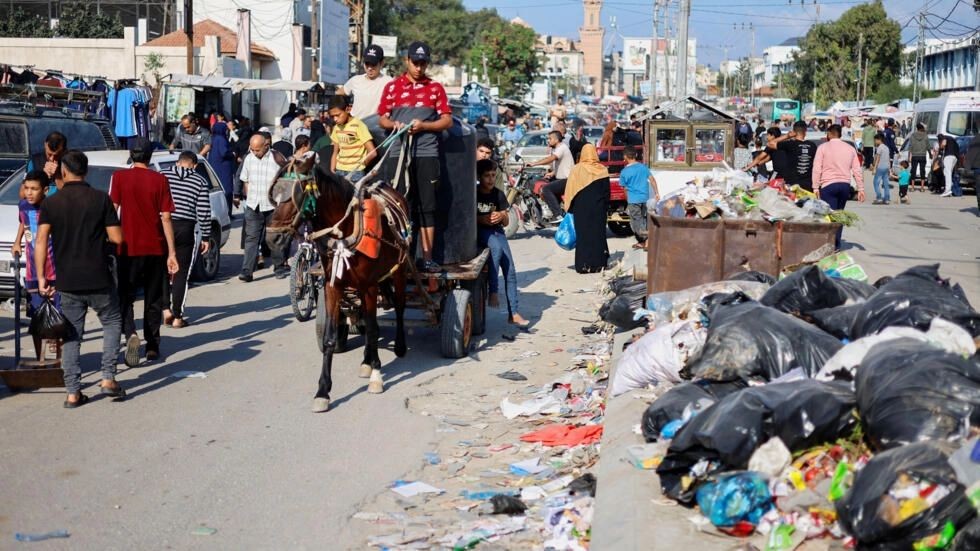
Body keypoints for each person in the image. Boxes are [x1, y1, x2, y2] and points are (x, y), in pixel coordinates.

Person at [34, 150, 125, 407]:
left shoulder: (51, 203)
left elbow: (41, 241)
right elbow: (117, 238)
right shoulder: (100, 199)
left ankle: (73, 392)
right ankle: (108, 378)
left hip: (67, 280)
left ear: (63, 171)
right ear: (86, 171)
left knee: (72, 334)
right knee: (111, 321)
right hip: (99, 275)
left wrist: (42, 277)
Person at [378, 41, 453, 273]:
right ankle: (401, 256)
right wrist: (394, 124)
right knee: (400, 206)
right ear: (406, 61)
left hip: (427, 153)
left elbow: (447, 120)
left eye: (423, 63)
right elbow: (382, 118)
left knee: (427, 207)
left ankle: (427, 257)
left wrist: (424, 126)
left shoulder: (435, 88)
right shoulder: (392, 87)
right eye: (415, 62)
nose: (419, 67)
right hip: (399, 153)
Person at [109, 138, 179, 366]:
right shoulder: (160, 180)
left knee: (125, 297)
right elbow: (166, 217)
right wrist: (172, 252)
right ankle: (152, 345)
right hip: (155, 247)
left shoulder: (119, 178)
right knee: (153, 298)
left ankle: (130, 333)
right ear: (150, 157)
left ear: (132, 154)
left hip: (126, 247)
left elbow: (113, 212)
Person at [160, 151, 212, 328]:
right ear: (194, 165)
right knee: (181, 273)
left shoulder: (163, 176)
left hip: (163, 225)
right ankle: (177, 317)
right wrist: (206, 236)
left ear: (178, 162)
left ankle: (165, 309)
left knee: (163, 269)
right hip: (185, 228)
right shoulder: (200, 181)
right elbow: (204, 212)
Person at [476, 159, 529, 328]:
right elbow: (466, 219)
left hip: (497, 231)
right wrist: (481, 219)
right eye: (487, 176)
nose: (490, 179)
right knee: (496, 249)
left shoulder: (498, 194)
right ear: (479, 177)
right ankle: (493, 291)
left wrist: (501, 216)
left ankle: (513, 313)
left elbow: (506, 222)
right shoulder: (473, 194)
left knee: (510, 269)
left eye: (493, 175)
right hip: (481, 232)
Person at [235, 133, 288, 281]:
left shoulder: (277, 158)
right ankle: (247, 271)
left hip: (272, 206)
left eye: (257, 150)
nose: (254, 152)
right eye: (252, 149)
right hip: (253, 205)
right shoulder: (249, 158)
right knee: (251, 238)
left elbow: (287, 179)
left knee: (274, 237)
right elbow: (244, 179)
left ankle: (279, 267)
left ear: (266, 146)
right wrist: (247, 197)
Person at [812, 124, 865, 249]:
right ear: (840, 134)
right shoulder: (850, 149)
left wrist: (815, 187)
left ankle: (828, 244)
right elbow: (857, 170)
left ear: (829, 134)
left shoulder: (823, 147)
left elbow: (817, 168)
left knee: (828, 216)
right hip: (844, 186)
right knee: (839, 215)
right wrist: (861, 189)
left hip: (828, 186)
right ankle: (836, 244)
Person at [12, 170, 57, 317]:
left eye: (34, 189)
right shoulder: (23, 205)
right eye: (26, 188)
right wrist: (17, 241)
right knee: (36, 317)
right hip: (32, 270)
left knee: (56, 315)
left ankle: (54, 340)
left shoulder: (52, 206)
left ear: (45, 190)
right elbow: (22, 222)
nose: (29, 193)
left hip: (53, 268)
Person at [563, 144, 609, 274]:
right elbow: (606, 193)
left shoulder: (576, 169)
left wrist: (570, 208)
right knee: (598, 235)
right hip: (598, 210)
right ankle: (599, 265)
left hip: (581, 209)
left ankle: (583, 265)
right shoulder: (602, 170)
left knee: (583, 236)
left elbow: (570, 190)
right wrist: (605, 208)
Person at [526, 130, 574, 221]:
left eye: (550, 138)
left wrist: (534, 164)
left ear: (556, 140)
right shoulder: (557, 148)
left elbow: (551, 159)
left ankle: (558, 215)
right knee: (542, 183)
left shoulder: (562, 148)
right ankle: (549, 212)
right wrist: (552, 173)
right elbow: (562, 165)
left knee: (546, 189)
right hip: (561, 178)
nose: (548, 140)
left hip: (567, 180)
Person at [328, 95, 376, 182]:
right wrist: (332, 169)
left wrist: (361, 166)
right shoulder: (336, 128)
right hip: (339, 171)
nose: (335, 119)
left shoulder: (358, 125)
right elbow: (335, 151)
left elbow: (372, 152)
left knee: (355, 196)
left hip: (356, 173)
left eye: (338, 115)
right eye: (332, 116)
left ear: (348, 109)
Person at [618, 146, 657, 250]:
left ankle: (646, 241)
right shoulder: (643, 167)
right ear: (636, 155)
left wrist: (627, 200)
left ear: (625, 157)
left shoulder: (624, 172)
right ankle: (646, 242)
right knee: (644, 219)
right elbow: (652, 180)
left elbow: (625, 189)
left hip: (633, 200)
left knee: (636, 222)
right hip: (645, 198)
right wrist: (657, 193)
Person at [340, 45, 394, 120]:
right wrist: (344, 110)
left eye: (373, 64)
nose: (369, 68)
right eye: (367, 64)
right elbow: (339, 93)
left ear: (381, 63)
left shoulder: (389, 82)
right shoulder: (355, 80)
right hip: (356, 127)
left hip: (377, 128)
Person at [770, 120, 817, 191]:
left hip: (792, 185)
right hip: (808, 185)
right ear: (805, 131)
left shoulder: (790, 144)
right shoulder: (812, 145)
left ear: (794, 131)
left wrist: (787, 136)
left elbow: (770, 143)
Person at [207, 120, 237, 209]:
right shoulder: (221, 139)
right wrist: (232, 154)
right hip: (223, 167)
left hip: (214, 165)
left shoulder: (213, 138)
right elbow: (224, 153)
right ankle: (227, 211)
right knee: (227, 189)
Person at [872, 133, 892, 204]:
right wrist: (890, 168)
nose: (874, 142)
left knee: (875, 183)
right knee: (886, 184)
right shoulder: (886, 148)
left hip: (880, 168)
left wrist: (874, 168)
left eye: (875, 140)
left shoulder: (879, 147)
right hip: (886, 167)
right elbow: (888, 158)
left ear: (879, 140)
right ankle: (887, 199)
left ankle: (879, 197)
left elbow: (877, 159)